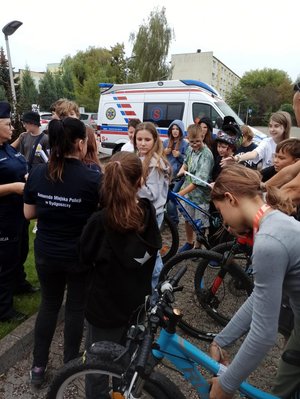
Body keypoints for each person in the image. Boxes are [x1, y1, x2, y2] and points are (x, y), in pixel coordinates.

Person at [208, 164, 300, 399]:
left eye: (220, 211)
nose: (225, 224)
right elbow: (261, 297)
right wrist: (222, 340)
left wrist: (225, 386)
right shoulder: (274, 220)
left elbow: (263, 334)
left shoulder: (268, 240)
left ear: (230, 199)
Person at [23, 117, 101, 386]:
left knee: (49, 305)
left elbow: (29, 213)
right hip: (79, 255)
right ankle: (70, 364)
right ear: (81, 143)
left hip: (46, 252)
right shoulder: (93, 177)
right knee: (75, 308)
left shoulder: (37, 173)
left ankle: (38, 367)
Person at [79, 151, 161, 398]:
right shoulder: (147, 213)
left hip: (104, 308)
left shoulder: (100, 221)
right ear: (140, 180)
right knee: (129, 359)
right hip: (137, 303)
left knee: (96, 366)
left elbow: (83, 257)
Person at [133, 122, 171, 289]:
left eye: (147, 139)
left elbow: (151, 194)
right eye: (139, 139)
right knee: (151, 252)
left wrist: (135, 183)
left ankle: (158, 291)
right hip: (147, 212)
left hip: (153, 213)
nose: (142, 143)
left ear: (155, 140)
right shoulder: (141, 158)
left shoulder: (154, 163)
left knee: (152, 253)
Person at [0, 101, 28, 322]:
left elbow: (20, 167)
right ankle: (4, 309)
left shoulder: (8, 148)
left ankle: (19, 285)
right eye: (8, 124)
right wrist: (13, 187)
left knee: (19, 252)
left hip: (18, 213)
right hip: (3, 217)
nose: (12, 128)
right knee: (5, 262)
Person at [177, 123, 214, 251]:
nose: (195, 144)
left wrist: (180, 194)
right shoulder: (189, 149)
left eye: (197, 141)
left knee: (200, 224)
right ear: (187, 139)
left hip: (201, 196)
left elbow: (198, 182)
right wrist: (180, 172)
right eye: (192, 142)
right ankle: (189, 242)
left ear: (202, 136)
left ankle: (198, 246)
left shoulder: (206, 155)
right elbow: (186, 163)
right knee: (188, 219)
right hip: (189, 193)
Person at [163, 119, 188, 225]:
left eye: (177, 129)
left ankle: (173, 221)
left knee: (171, 199)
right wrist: (163, 153)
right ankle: (169, 219)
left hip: (178, 176)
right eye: (173, 129)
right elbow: (159, 158)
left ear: (181, 130)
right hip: (166, 174)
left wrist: (179, 156)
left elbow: (187, 161)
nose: (175, 131)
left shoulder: (184, 144)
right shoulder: (165, 142)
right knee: (165, 198)